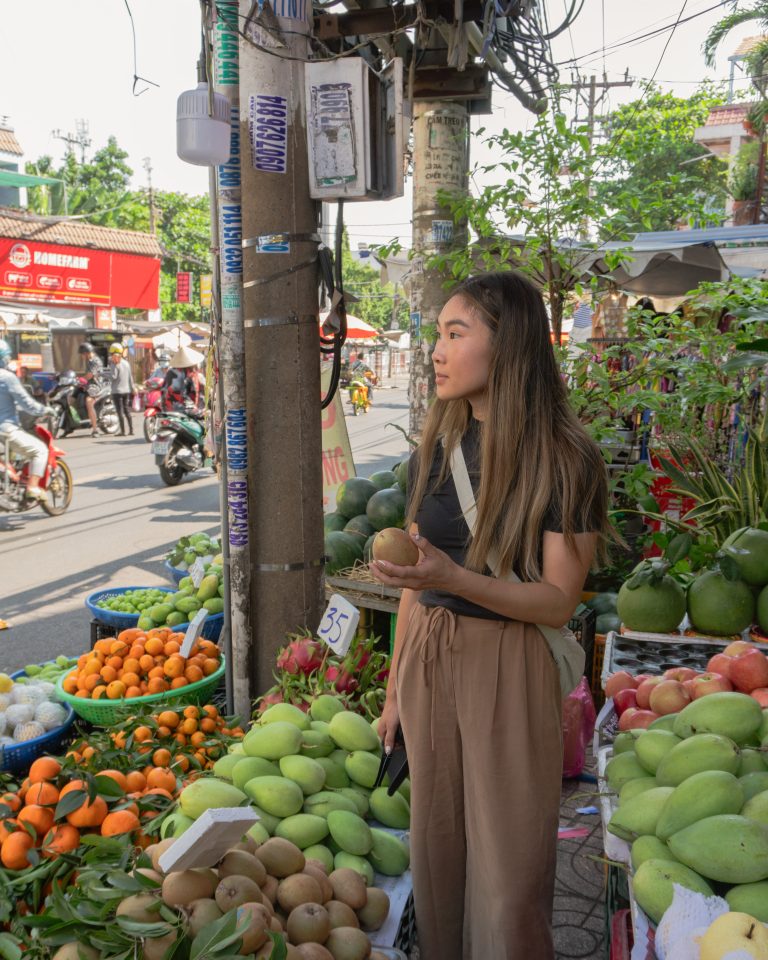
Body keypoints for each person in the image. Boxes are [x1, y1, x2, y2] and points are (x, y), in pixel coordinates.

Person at [371, 271, 610, 960]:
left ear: (508, 346)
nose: (437, 351)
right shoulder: (435, 452)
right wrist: (394, 693)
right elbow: (418, 581)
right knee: (438, 855)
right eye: (437, 335)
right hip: (428, 657)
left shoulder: (564, 459)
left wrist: (456, 577)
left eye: (456, 333)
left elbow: (559, 599)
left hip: (509, 663)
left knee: (507, 874)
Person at [0, 340, 55, 501]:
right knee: (40, 450)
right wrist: (45, 410)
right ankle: (32, 486)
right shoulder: (7, 377)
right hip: (6, 429)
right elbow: (27, 403)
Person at [107, 343, 135, 436]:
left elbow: (113, 377)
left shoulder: (115, 362)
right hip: (126, 390)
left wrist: (102, 374)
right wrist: (133, 388)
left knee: (120, 412)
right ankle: (131, 430)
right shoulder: (126, 363)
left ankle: (122, 431)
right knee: (126, 410)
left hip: (117, 391)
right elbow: (130, 377)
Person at [78, 342, 103, 437]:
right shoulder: (89, 360)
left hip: (96, 385)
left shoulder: (96, 361)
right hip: (89, 385)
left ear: (86, 353)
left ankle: (95, 430)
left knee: (89, 401)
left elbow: (90, 375)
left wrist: (81, 379)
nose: (81, 356)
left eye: (82, 354)